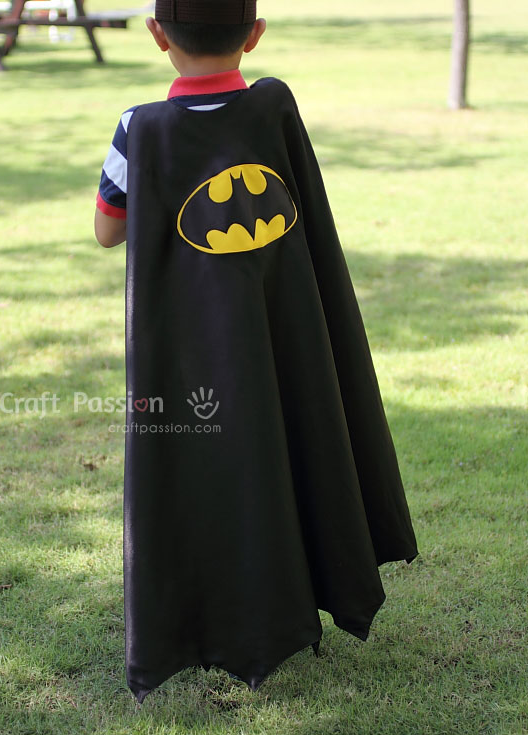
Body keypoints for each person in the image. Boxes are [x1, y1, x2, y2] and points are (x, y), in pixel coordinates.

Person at [95, 0, 419, 706]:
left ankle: (215, 614)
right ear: (256, 34)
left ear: (156, 35)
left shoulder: (139, 128)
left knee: (211, 471)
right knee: (291, 445)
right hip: (282, 333)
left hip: (192, 349)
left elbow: (107, 229)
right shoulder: (274, 109)